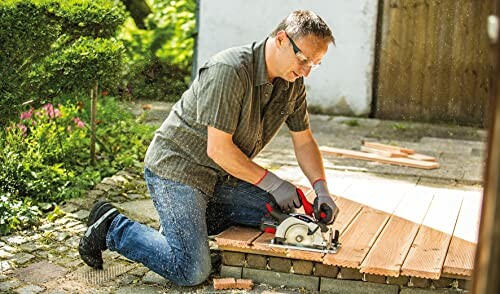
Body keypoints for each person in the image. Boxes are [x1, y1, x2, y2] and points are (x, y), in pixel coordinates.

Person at [79, 10, 339, 286]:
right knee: (191, 269)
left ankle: (187, 224)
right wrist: (273, 183)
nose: (306, 71)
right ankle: (113, 227)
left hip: (221, 178)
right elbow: (219, 150)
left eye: (315, 64)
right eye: (303, 59)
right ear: (281, 40)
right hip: (179, 171)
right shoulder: (230, 70)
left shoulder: (292, 83)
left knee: (287, 216)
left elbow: (304, 140)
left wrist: (321, 188)